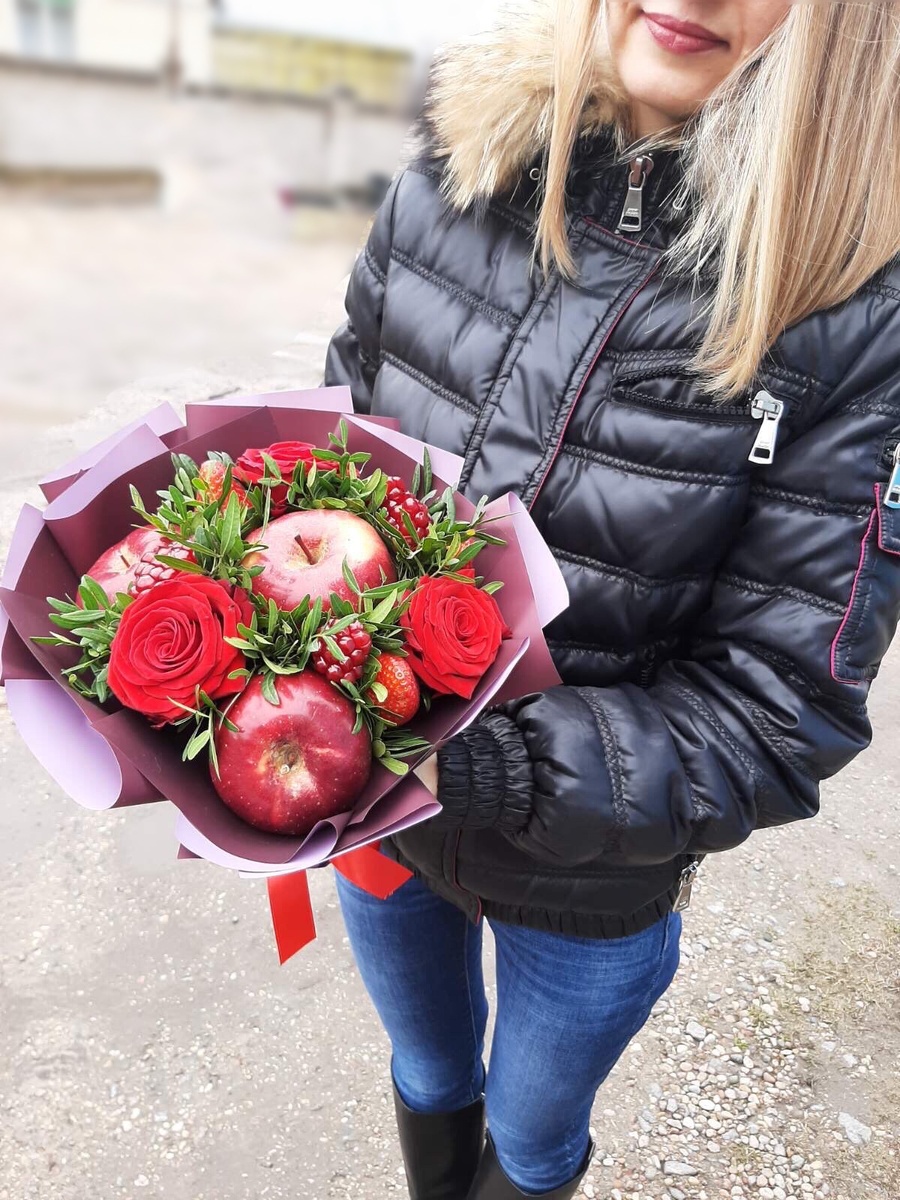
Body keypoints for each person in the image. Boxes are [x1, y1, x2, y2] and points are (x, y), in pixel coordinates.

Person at [323, 2, 900, 1197]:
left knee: (533, 1141)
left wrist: (490, 764)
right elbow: (333, 453)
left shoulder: (855, 307)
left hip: (589, 886)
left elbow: (782, 706)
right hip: (370, 820)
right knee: (428, 1073)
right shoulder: (455, 162)